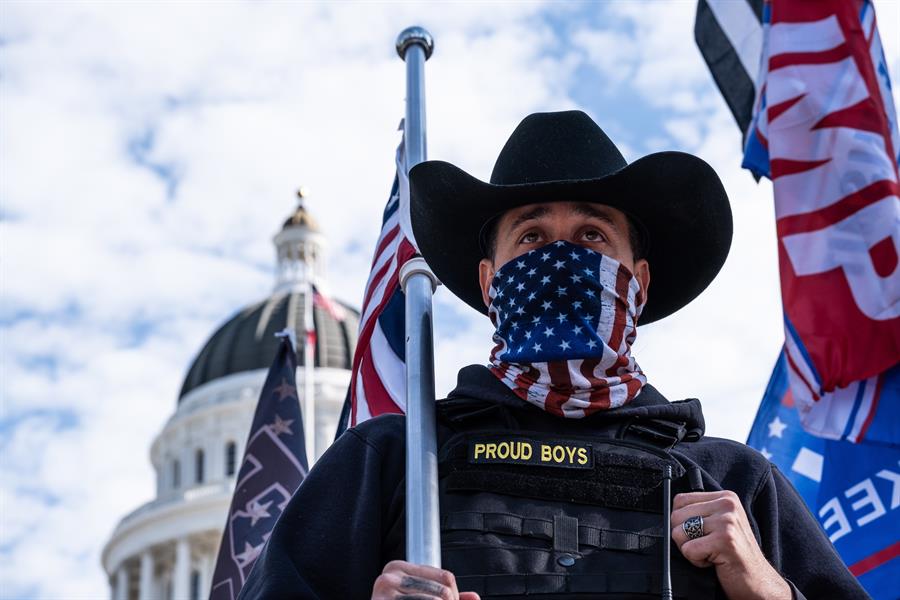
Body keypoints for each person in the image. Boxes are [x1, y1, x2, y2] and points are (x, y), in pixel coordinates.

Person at [238, 111, 868, 600]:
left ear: (638, 281)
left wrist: (766, 586)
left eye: (592, 236)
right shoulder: (390, 463)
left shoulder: (736, 482)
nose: (560, 258)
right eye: (532, 237)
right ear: (490, 283)